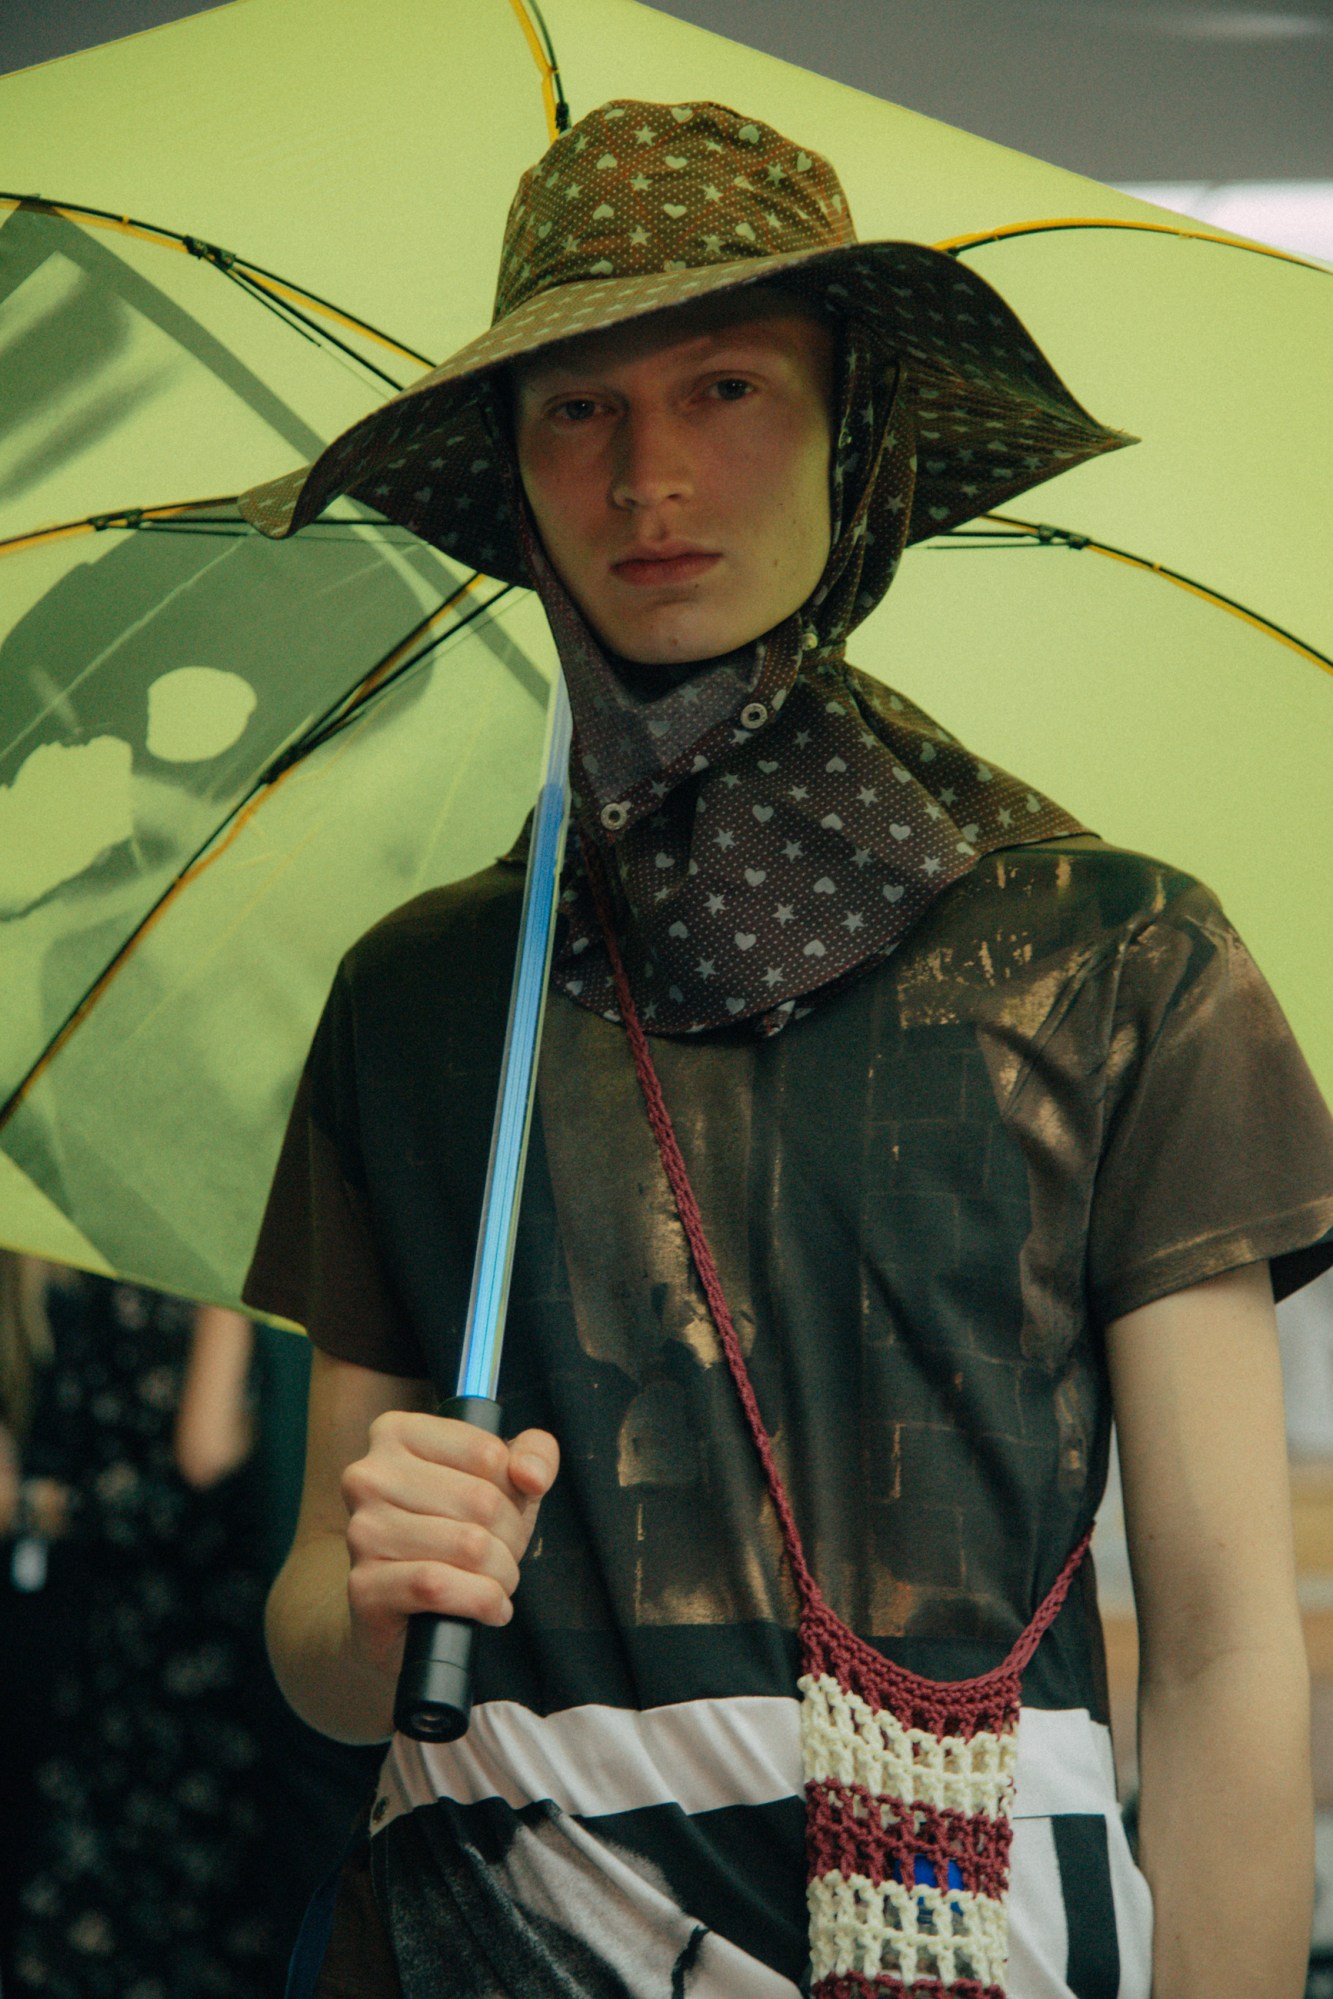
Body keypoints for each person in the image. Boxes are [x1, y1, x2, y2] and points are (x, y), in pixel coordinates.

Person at [240, 100, 1333, 1999]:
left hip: (974, 1925)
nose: (648, 472)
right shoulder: (428, 998)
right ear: (509, 469)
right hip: (484, 1928)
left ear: (859, 434)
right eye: (572, 407)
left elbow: (1233, 1644)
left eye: (726, 385)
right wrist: (371, 1586)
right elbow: (329, 1668)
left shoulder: (1108, 953)